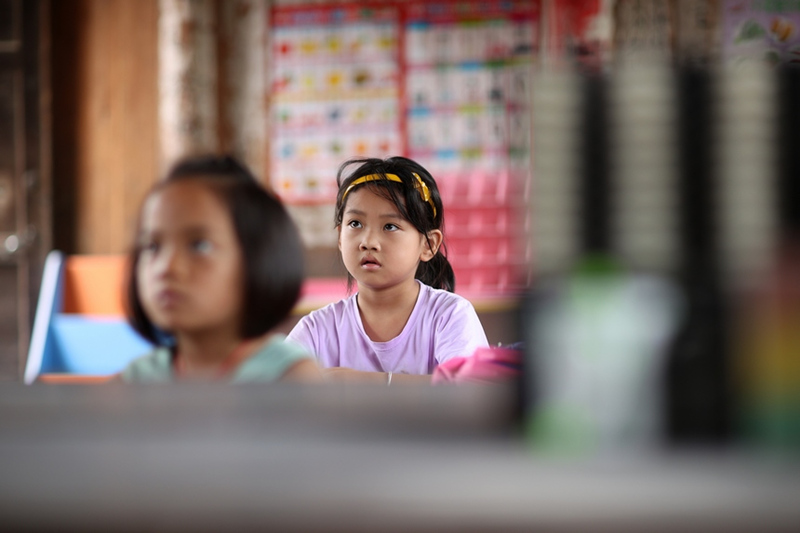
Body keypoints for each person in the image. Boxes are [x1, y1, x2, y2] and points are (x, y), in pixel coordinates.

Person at [120, 155, 321, 383]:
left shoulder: (290, 378)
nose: (166, 268)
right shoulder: (137, 379)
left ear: (257, 259)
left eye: (199, 245)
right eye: (152, 246)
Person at [287, 156, 488, 384]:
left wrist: (371, 383)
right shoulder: (317, 329)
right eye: (355, 224)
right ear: (340, 237)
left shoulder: (449, 315)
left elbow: (472, 392)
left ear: (428, 244)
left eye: (390, 226)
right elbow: (274, 394)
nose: (368, 241)